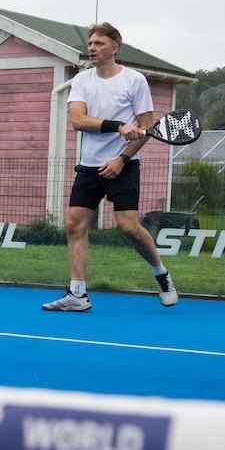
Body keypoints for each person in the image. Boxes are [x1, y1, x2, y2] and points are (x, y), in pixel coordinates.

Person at [43, 22, 177, 312]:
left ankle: (161, 274)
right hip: (89, 166)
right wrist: (118, 126)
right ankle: (77, 294)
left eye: (99, 43)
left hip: (123, 165)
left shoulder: (135, 81)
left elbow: (146, 127)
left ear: (115, 48)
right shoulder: (82, 80)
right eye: (90, 43)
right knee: (74, 225)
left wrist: (122, 159)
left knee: (128, 228)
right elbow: (78, 120)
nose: (92, 48)